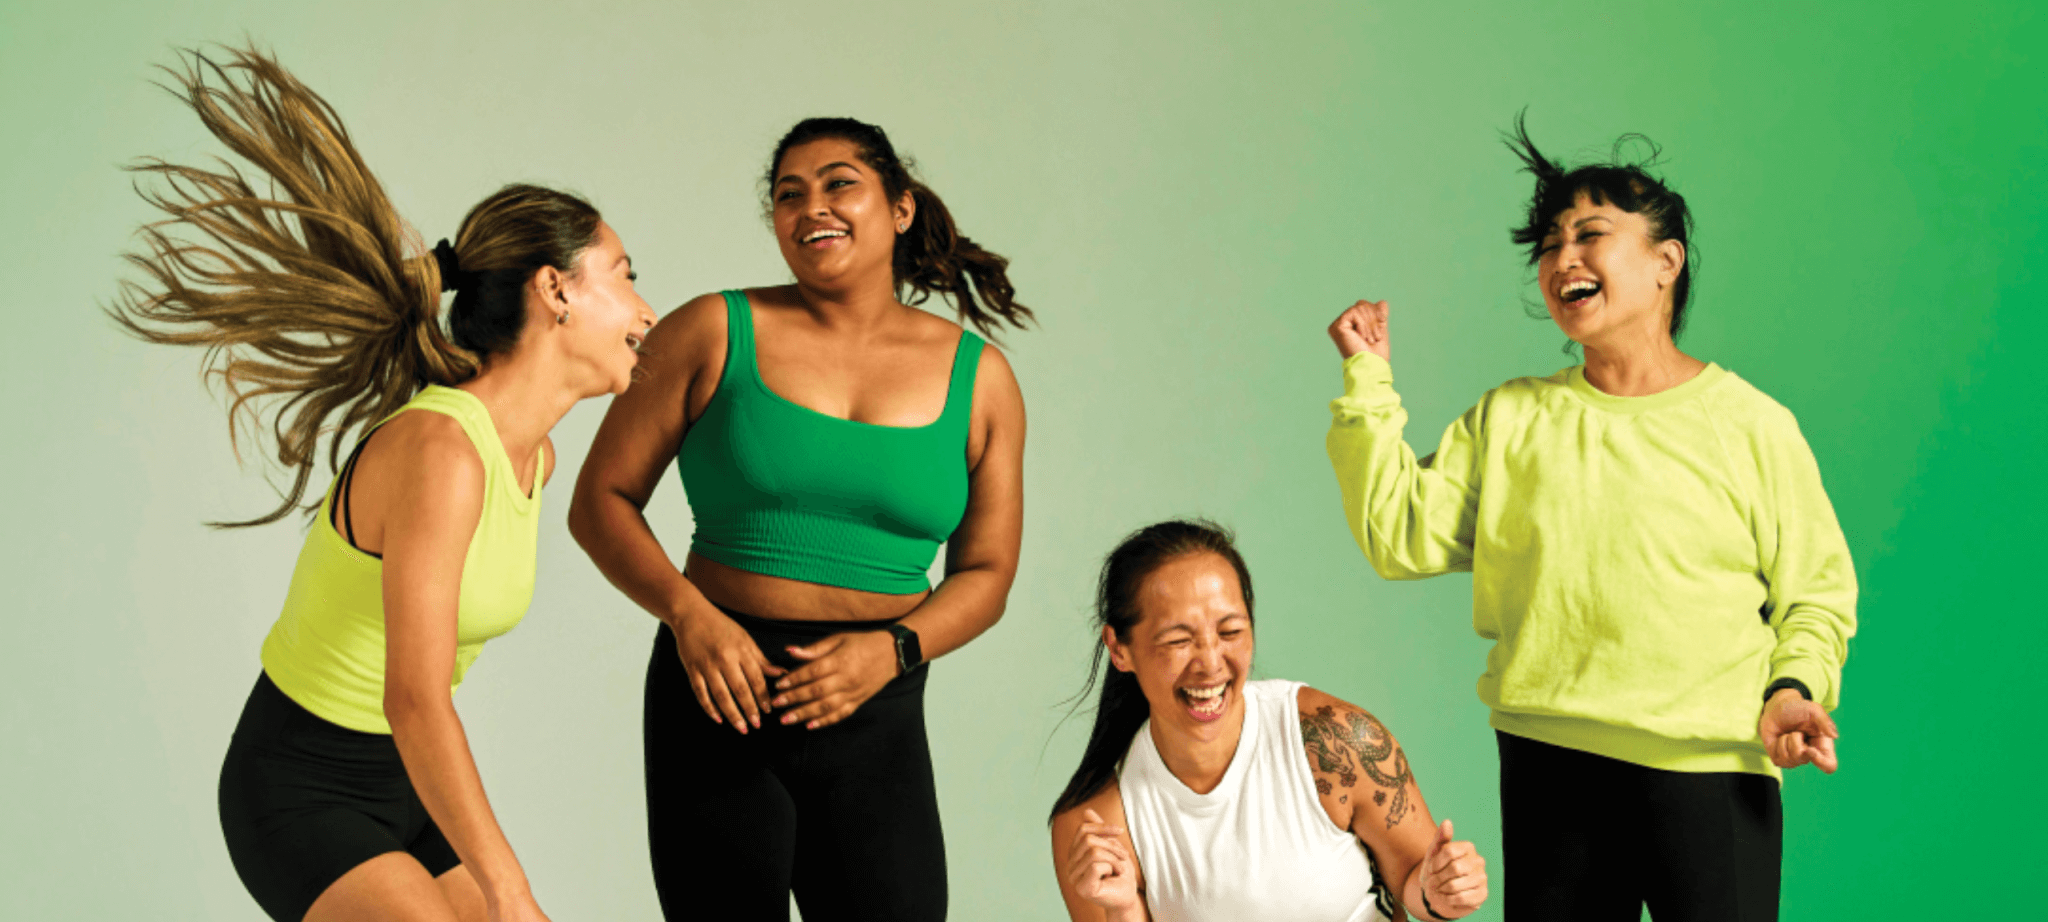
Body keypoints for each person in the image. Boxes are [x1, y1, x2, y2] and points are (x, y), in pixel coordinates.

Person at [111, 46, 657, 922]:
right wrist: (513, 895)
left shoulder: (535, 459)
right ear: (556, 291)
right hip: (301, 785)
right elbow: (413, 693)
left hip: (408, 780)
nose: (645, 310)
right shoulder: (441, 451)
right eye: (627, 276)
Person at [1322, 117, 1857, 920]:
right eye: (1548, 244)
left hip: (1711, 768)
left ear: (1665, 262)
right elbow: (1398, 532)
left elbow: (1816, 592)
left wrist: (1792, 687)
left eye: (1589, 234)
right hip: (1551, 766)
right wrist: (1368, 382)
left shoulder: (1751, 425)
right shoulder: (1511, 420)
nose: (1560, 258)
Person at [568, 117, 1029, 921]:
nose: (810, 205)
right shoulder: (711, 330)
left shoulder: (980, 378)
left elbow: (987, 577)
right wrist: (688, 616)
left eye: (839, 182)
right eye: (789, 194)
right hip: (720, 693)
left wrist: (894, 652)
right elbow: (598, 501)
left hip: (877, 704)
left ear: (901, 208)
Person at [1049, 520, 1489, 922]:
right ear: (1119, 648)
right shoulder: (1095, 824)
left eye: (1230, 632)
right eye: (1178, 639)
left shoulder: (1334, 742)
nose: (1210, 663)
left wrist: (1438, 892)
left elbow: (1415, 883)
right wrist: (1123, 908)